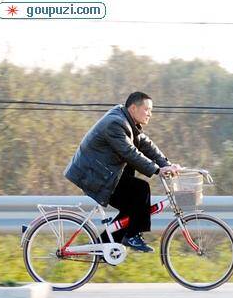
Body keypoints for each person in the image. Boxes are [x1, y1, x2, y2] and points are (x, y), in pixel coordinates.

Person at [64, 91, 181, 252]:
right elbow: (130, 153)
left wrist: (167, 164)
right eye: (147, 109)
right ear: (133, 108)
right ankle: (132, 236)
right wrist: (157, 170)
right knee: (141, 190)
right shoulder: (115, 124)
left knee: (133, 208)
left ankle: (103, 247)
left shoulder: (127, 122)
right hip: (93, 176)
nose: (150, 114)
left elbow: (147, 145)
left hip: (103, 172)